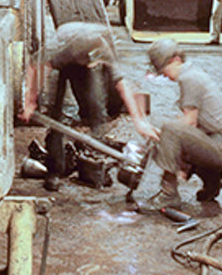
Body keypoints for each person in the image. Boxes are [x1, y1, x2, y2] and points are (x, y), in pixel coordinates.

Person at [35, 21, 158, 183]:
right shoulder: (61, 51)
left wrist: (138, 121)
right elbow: (35, 68)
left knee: (97, 109)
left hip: (83, 55)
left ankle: (93, 165)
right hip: (59, 62)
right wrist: (30, 101)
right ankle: (54, 169)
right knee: (58, 114)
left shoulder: (102, 49)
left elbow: (122, 84)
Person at [146, 38, 222, 210]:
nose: (164, 75)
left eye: (163, 69)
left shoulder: (189, 78)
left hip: (219, 149)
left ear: (176, 60)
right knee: (171, 136)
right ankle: (213, 180)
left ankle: (168, 194)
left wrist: (163, 136)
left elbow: (189, 122)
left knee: (169, 130)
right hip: (219, 145)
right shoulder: (194, 74)